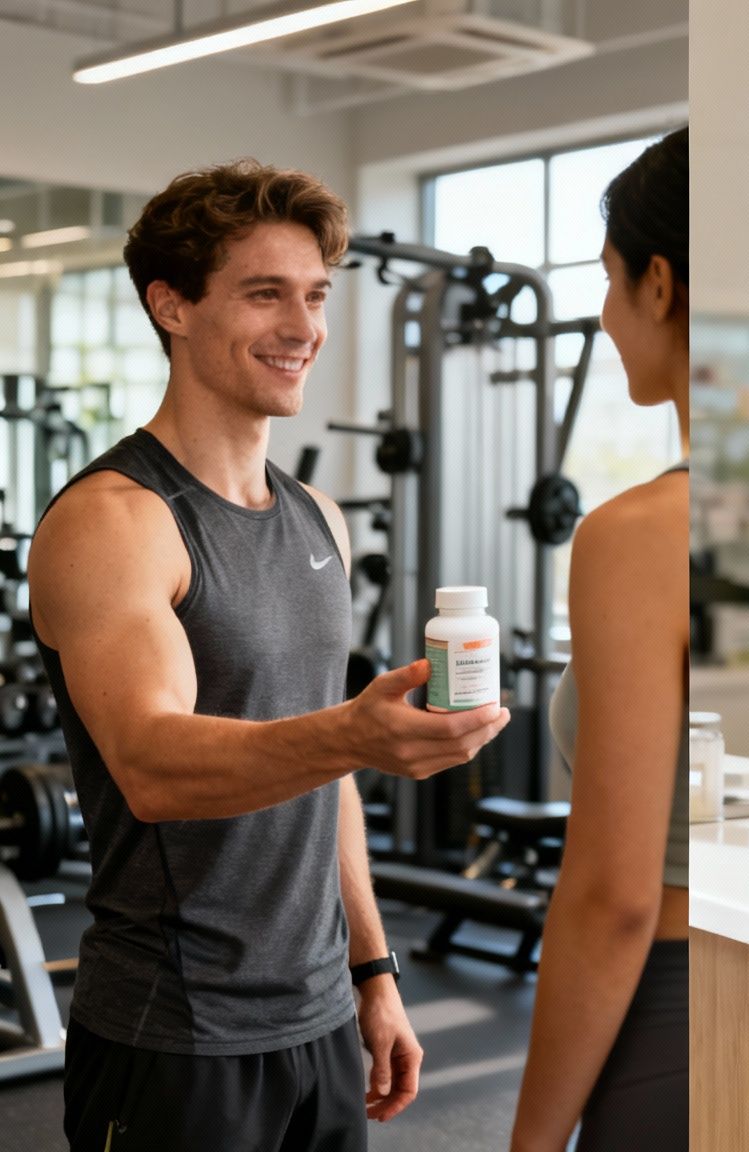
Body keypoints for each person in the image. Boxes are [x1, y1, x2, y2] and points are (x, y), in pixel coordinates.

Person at [29, 160, 512, 1151]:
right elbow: (154, 766)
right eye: (264, 294)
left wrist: (373, 976)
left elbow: (323, 769)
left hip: (321, 1019)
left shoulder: (317, 518)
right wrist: (355, 732)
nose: (304, 327)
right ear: (172, 306)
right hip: (176, 1031)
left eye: (314, 296)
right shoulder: (116, 521)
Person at [510, 128, 689, 1152]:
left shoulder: (636, 537)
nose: (609, 320)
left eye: (610, 286)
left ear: (657, 283)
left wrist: (530, 1140)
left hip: (674, 1003)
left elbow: (615, 897)